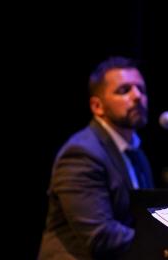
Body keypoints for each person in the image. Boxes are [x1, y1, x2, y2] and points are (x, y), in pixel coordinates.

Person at [38, 57, 153, 259]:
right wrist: (162, 243)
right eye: (124, 90)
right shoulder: (81, 154)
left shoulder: (136, 151)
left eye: (141, 89)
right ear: (97, 106)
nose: (137, 96)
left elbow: (144, 218)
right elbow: (100, 235)